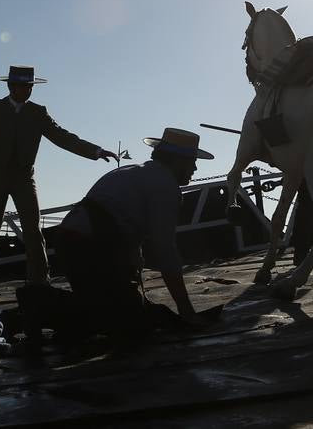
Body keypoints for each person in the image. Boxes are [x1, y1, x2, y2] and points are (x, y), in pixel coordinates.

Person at [0, 65, 114, 316]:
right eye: (22, 86)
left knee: (34, 233)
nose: (26, 90)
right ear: (10, 86)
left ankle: (40, 286)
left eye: (29, 87)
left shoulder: (38, 113)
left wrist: (95, 151)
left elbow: (62, 137)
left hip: (25, 178)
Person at [45, 127, 211, 342]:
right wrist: (186, 311)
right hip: (90, 245)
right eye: (192, 162)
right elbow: (165, 251)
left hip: (70, 240)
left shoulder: (130, 172)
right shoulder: (165, 187)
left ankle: (66, 308)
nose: (195, 168)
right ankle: (42, 306)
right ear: (178, 161)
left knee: (103, 302)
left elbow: (122, 219)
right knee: (130, 325)